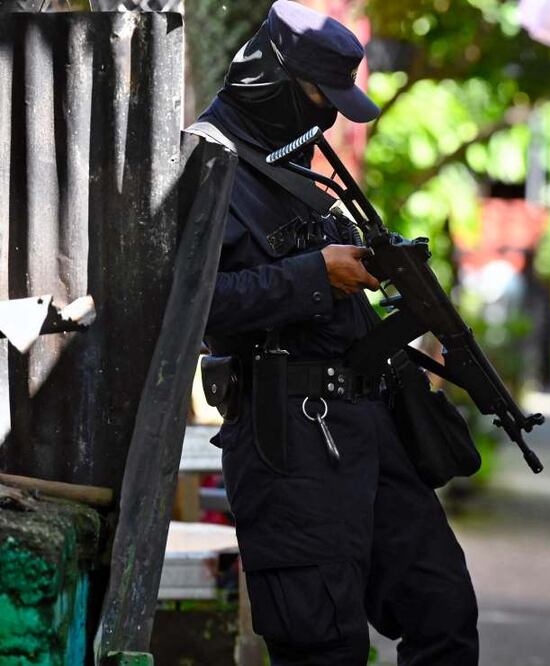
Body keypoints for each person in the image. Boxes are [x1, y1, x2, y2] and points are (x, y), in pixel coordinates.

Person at [188, 2, 479, 663]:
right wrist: (314, 276)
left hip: (367, 425)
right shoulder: (207, 160)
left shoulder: (297, 164)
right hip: (288, 439)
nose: (326, 116)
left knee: (444, 610)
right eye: (320, 97)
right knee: (322, 643)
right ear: (273, 78)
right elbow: (196, 309)